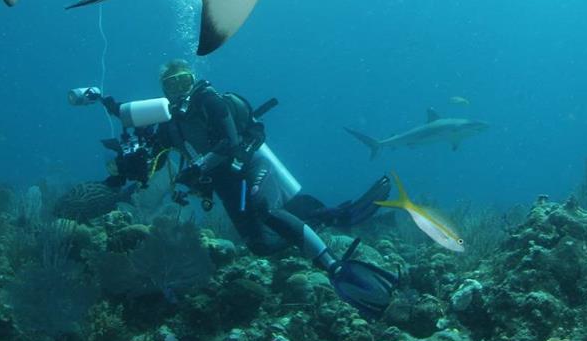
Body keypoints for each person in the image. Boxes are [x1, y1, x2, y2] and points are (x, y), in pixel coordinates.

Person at [147, 59, 399, 320]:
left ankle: (333, 265)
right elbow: (155, 157)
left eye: (184, 81)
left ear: (193, 79)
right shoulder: (169, 124)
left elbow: (230, 143)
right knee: (261, 246)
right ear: (164, 90)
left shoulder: (211, 102)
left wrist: (198, 167)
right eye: (172, 84)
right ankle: (323, 217)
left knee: (265, 209)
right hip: (225, 184)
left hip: (251, 166)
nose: (179, 89)